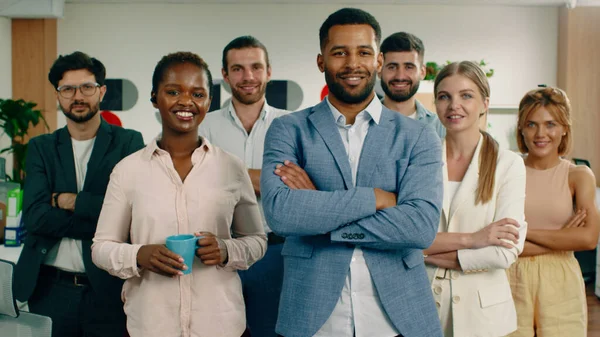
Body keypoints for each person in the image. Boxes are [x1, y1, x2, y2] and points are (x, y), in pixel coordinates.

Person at [260, 8, 443, 337]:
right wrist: (376, 198)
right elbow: (282, 215)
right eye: (339, 52)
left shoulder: (418, 136)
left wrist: (318, 206)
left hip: (399, 317)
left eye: (363, 52)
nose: (352, 64)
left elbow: (420, 228)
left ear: (378, 60)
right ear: (321, 61)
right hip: (313, 316)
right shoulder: (288, 129)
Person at [91, 52, 267, 337]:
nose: (186, 101)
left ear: (208, 102)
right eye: (173, 91)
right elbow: (101, 248)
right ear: (154, 98)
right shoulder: (128, 170)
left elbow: (257, 240)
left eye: (197, 94)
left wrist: (226, 250)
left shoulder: (231, 167)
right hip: (151, 326)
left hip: (221, 325)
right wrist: (139, 255)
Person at [13, 51, 144, 337]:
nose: (78, 96)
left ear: (102, 91)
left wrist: (67, 201)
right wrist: (101, 216)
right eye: (68, 89)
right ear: (58, 95)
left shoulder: (128, 142)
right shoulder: (41, 148)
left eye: (86, 87)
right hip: (49, 289)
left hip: (108, 288)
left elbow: (133, 213)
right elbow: (35, 218)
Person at [423, 61, 527, 337]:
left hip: (484, 318)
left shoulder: (508, 165)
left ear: (484, 103)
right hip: (421, 305)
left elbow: (504, 252)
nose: (454, 105)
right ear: (435, 104)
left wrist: (424, 251)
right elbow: (399, 236)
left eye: (466, 95)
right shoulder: (420, 161)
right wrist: (474, 240)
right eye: (444, 96)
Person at [199, 35, 288, 337]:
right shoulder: (203, 126)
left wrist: (223, 175)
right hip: (217, 254)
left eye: (256, 67)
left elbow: (301, 187)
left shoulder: (293, 126)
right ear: (224, 75)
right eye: (237, 69)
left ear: (268, 71)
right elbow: (192, 184)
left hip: (276, 254)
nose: (248, 76)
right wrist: (271, 178)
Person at [507, 87, 599, 337]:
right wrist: (563, 237)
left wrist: (524, 233)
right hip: (510, 278)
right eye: (531, 124)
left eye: (550, 124)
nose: (541, 134)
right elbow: (500, 244)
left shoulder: (579, 175)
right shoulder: (506, 171)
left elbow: (589, 238)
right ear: (521, 129)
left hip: (561, 282)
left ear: (564, 128)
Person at [379, 32, 445, 138]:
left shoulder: (440, 127)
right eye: (392, 67)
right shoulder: (361, 122)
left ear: (422, 72)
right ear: (379, 70)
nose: (400, 76)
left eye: (409, 67)